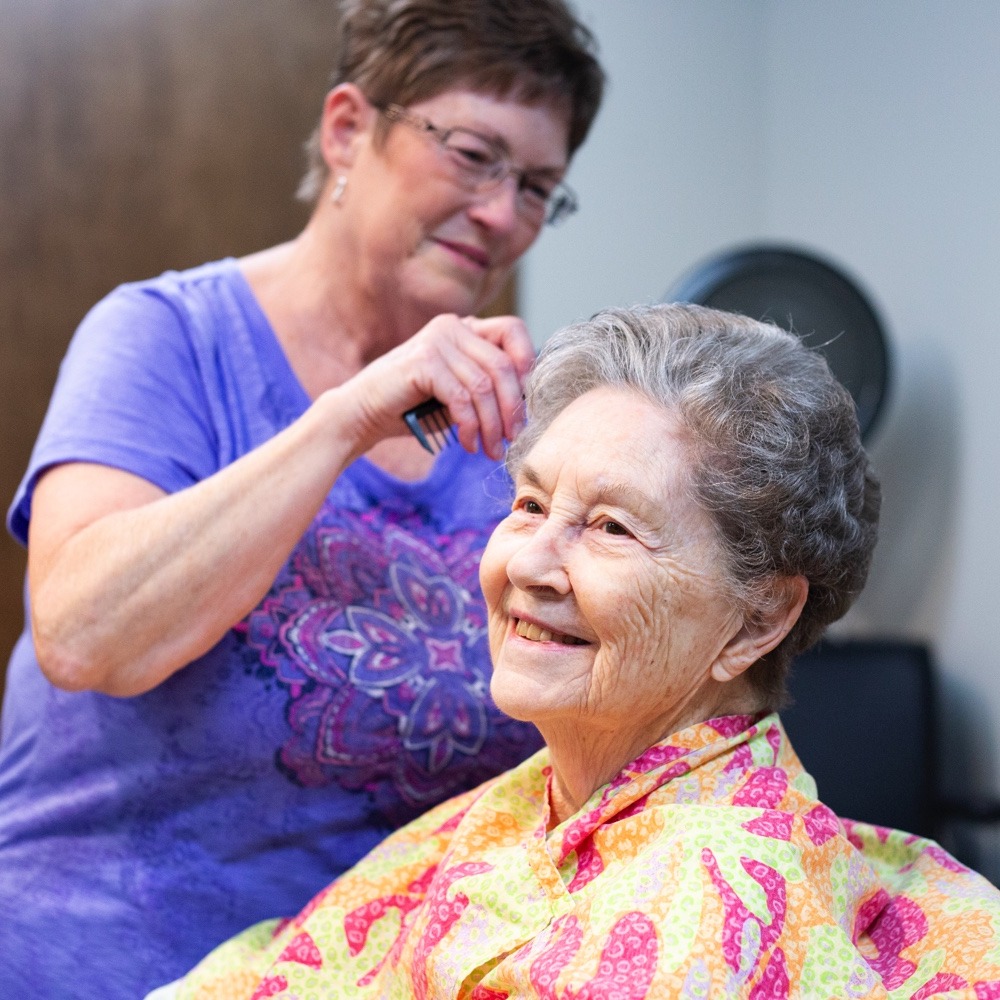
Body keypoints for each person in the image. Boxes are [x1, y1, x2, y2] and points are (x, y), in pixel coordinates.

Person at [0, 1, 604, 996]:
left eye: (537, 185)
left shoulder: (526, 434)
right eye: (471, 154)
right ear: (346, 131)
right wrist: (346, 417)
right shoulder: (166, 336)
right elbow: (83, 635)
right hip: (96, 958)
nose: (503, 213)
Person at [154, 303, 1000, 999]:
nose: (527, 560)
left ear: (758, 620)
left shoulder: (702, 911)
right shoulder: (547, 797)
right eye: (528, 505)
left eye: (611, 527)